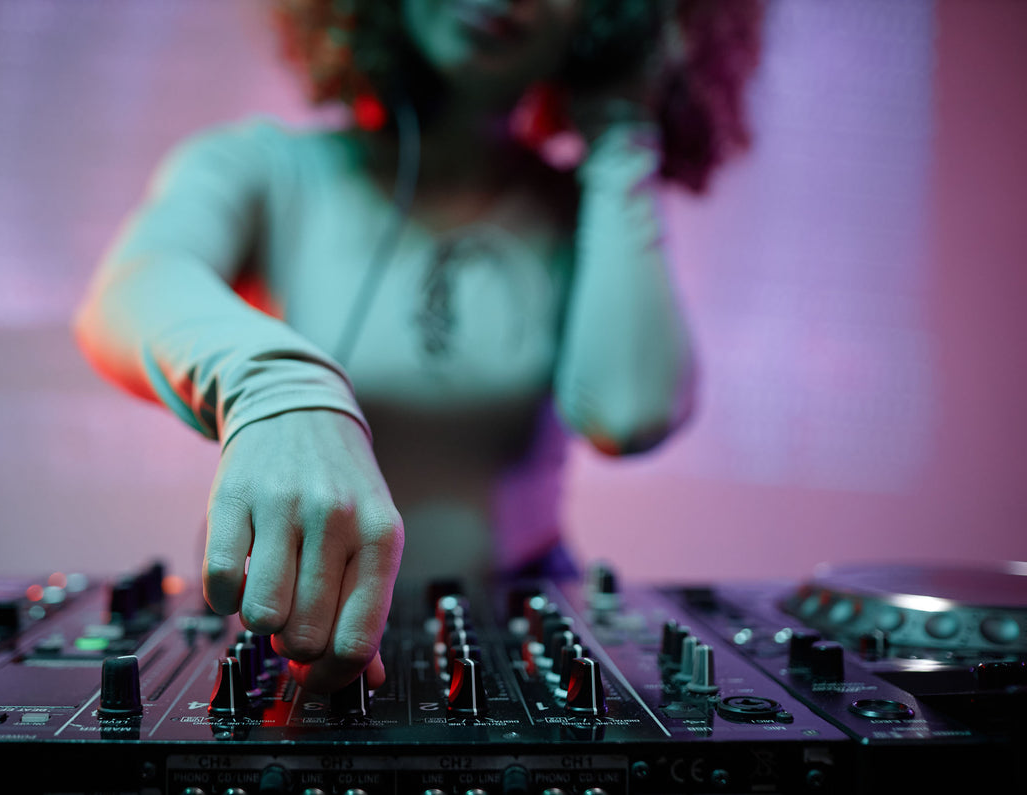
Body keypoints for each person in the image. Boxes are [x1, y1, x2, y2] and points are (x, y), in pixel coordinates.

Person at [74, 0, 761, 694]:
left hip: (522, 639)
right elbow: (131, 288)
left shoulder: (582, 212)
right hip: (297, 640)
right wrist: (275, 386)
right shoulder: (263, 167)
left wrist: (622, 146)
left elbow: (630, 410)